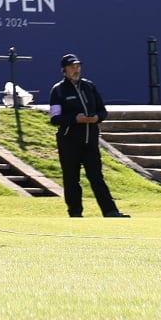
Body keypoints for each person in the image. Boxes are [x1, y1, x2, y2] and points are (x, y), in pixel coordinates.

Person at [47, 53, 127, 219]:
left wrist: (97, 118)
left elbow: (102, 111)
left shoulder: (89, 86)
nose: (76, 70)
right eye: (72, 67)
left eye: (77, 66)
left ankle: (110, 211)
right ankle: (75, 213)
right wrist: (74, 119)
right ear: (64, 70)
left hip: (90, 141)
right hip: (69, 142)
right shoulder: (59, 90)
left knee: (96, 177)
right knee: (71, 179)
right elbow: (55, 118)